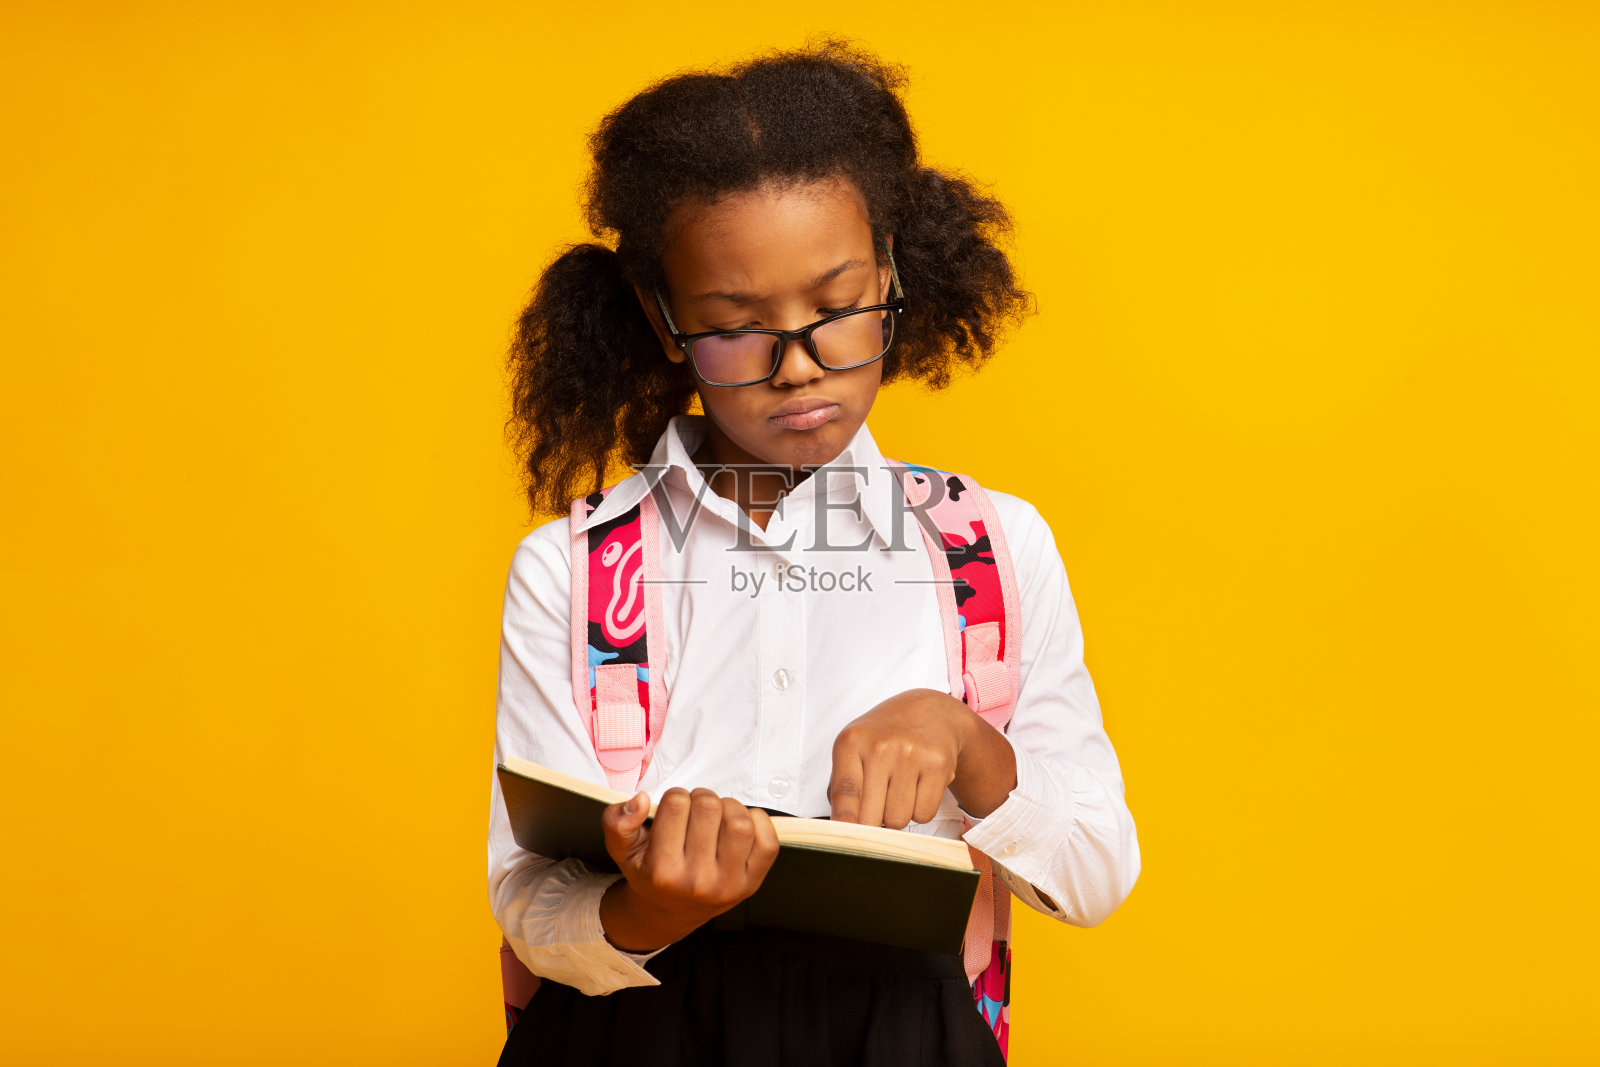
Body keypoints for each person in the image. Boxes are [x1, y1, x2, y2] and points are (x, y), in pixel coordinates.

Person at [488, 39, 1141, 1066]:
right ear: (665, 321)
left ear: (887, 268)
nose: (797, 368)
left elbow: (1097, 873)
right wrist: (645, 908)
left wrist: (970, 744)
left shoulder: (991, 550)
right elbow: (529, 903)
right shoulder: (572, 568)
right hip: (632, 1030)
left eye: (836, 308)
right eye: (735, 326)